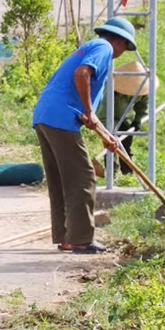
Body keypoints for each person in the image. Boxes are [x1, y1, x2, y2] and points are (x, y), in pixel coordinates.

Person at [32, 17, 137, 254]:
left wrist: (104, 135)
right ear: (119, 41)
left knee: (61, 179)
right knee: (83, 177)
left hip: (46, 115)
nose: (122, 53)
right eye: (125, 47)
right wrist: (89, 111)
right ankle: (80, 239)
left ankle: (67, 236)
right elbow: (82, 74)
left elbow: (85, 108)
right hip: (60, 117)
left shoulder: (90, 46)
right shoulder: (104, 48)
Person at [94, 60, 155, 175]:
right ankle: (112, 173)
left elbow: (143, 106)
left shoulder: (143, 87)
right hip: (105, 115)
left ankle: (128, 173)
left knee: (126, 142)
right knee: (111, 143)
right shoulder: (109, 86)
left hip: (124, 117)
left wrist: (137, 121)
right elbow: (100, 107)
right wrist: (105, 129)